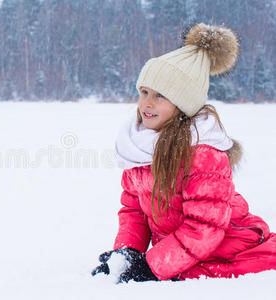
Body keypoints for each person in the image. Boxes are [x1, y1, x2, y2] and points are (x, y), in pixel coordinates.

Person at [91, 23, 276, 282]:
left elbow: (206, 227)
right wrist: (127, 253)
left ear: (182, 104)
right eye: (143, 92)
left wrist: (153, 266)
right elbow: (134, 210)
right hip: (185, 251)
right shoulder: (140, 148)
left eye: (159, 96)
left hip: (229, 249)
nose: (147, 102)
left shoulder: (203, 153)